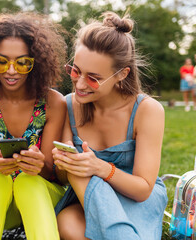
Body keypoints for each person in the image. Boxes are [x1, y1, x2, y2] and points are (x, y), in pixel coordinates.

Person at [52, 12, 168, 240]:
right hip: (86, 200)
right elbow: (64, 178)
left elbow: (143, 189)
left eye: (93, 78)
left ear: (122, 74)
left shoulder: (147, 110)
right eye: (75, 71)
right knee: (67, 224)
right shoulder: (67, 105)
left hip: (135, 201)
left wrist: (101, 168)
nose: (80, 84)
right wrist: (64, 164)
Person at [0, 12, 67, 239]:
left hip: (42, 200)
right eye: (2, 61)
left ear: (36, 63)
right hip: (0, 202)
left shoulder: (54, 103)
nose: (11, 71)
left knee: (28, 181)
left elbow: (54, 175)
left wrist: (39, 166)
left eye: (22, 63)